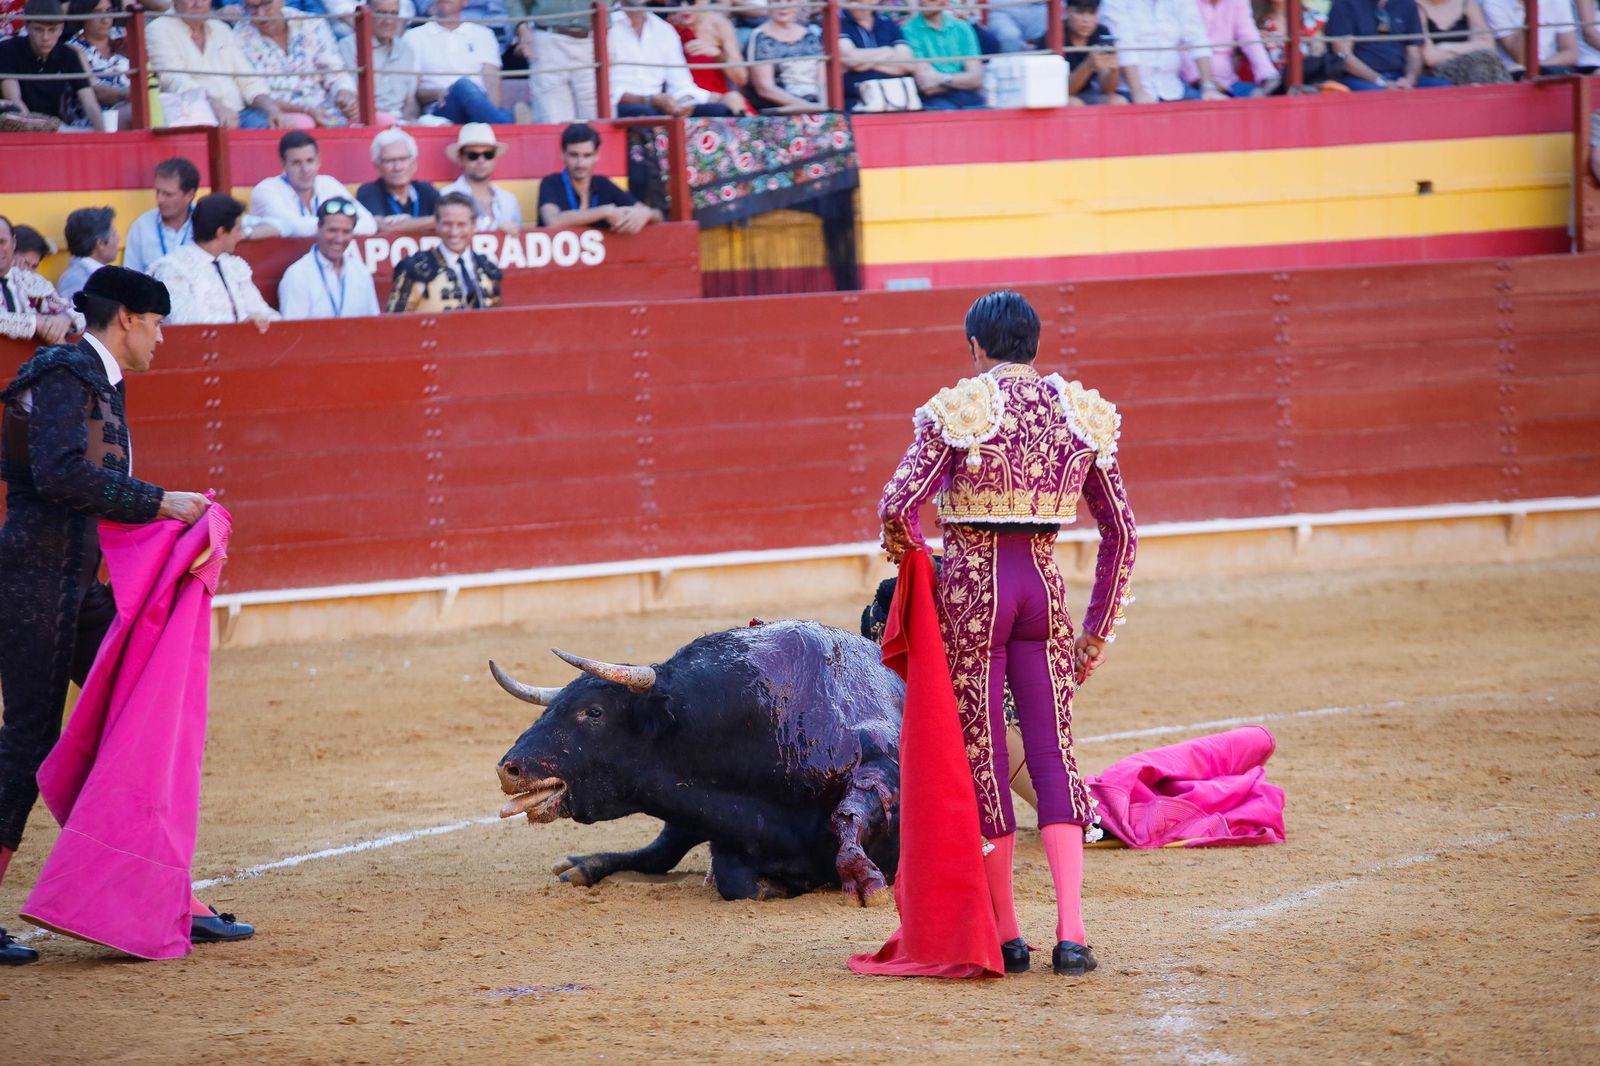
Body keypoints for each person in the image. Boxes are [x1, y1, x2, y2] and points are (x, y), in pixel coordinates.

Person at [877, 289, 1136, 978]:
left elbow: (898, 506)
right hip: (1043, 590)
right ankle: (1073, 935)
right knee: (1053, 755)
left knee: (985, 756)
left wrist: (918, 568)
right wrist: (1095, 632)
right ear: (1034, 344)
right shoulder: (1080, 414)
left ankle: (1011, 938)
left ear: (975, 346)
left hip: (973, 590)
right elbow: (1123, 533)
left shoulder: (961, 408)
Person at [0, 266, 251, 967]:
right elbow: (57, 474)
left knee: (146, 722)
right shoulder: (65, 372)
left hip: (74, 581)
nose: (163, 339)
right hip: (35, 579)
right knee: (25, 741)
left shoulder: (97, 378)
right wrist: (160, 503)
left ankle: (165, 894)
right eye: (160, 324)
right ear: (131, 318)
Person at [145, 0, 300, 129]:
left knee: (278, 129)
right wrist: (217, 106)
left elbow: (248, 80)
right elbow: (174, 80)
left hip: (240, 113)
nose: (198, 4)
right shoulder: (157, 30)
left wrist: (273, 111)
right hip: (194, 115)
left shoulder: (221, 28)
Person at [149, 194, 278, 330]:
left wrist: (261, 320)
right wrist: (240, 327)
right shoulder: (173, 269)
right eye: (238, 230)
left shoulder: (235, 266)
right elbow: (183, 320)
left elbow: (263, 311)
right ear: (221, 232)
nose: (240, 236)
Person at [233, 0, 358, 127]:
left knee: (368, 119)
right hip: (282, 115)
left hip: (327, 109)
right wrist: (306, 110)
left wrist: (344, 93)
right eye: (252, 7)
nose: (260, 14)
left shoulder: (311, 24)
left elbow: (335, 71)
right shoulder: (238, 38)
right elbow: (254, 94)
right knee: (305, 124)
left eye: (266, 4)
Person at [402, 0, 528, 125]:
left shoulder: (483, 34)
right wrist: (440, 93)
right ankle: (507, 122)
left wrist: (489, 112)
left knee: (468, 90)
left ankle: (497, 119)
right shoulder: (414, 37)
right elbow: (412, 92)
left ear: (465, 2)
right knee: (462, 86)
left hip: (477, 106)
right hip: (440, 110)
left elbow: (493, 84)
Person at [608, 0, 738, 116]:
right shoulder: (605, 25)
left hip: (657, 106)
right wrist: (650, 99)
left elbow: (681, 85)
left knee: (720, 111)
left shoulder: (663, 30)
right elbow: (602, 90)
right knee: (645, 113)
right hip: (617, 106)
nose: (684, 6)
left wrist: (687, 103)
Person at [386, 190, 503, 312]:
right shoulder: (414, 269)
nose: (454, 232)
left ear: (474, 225)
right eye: (447, 224)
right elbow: (394, 323)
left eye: (461, 224)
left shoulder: (487, 267)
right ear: (436, 224)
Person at [249, 130, 379, 239]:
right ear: (283, 165)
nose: (305, 170)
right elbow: (293, 227)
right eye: (296, 163)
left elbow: (369, 224)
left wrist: (333, 230)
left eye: (310, 161)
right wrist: (342, 227)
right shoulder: (265, 191)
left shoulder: (328, 183)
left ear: (318, 161)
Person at [538, 122, 661, 232]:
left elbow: (658, 216)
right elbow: (553, 221)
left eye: (587, 155)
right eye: (574, 155)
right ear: (563, 155)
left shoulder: (603, 184)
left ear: (596, 155)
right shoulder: (551, 183)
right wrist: (605, 212)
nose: (580, 163)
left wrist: (645, 213)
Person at [0, 0, 104, 129]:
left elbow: (90, 104)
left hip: (58, 126)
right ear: (27, 27)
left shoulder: (68, 55)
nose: (45, 37)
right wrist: (39, 131)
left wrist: (104, 138)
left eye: (52, 30)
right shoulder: (8, 50)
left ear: (61, 29)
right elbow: (15, 101)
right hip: (20, 128)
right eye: (38, 29)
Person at [1099, 0, 1229, 100]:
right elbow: (1124, 46)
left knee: (1216, 109)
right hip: (1129, 91)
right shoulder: (1114, 2)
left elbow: (1197, 38)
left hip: (1173, 88)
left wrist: (1208, 87)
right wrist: (1138, 92)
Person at [277, 199, 380, 319]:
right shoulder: (297, 274)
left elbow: (373, 323)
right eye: (332, 230)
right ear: (318, 228)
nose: (339, 239)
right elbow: (293, 332)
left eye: (346, 232)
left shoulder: (361, 272)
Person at [1325, 0, 1455, 88]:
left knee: (1444, 89)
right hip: (1360, 79)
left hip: (1400, 77)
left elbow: (1414, 53)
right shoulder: (1344, 4)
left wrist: (1410, 79)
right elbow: (1343, 56)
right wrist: (1381, 81)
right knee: (1382, 98)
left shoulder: (1407, 4)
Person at [2, 217, 80, 344]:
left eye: (33, 266)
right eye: (25, 263)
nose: (28, 271)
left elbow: (76, 312)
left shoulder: (34, 283)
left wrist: (64, 319)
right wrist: (36, 322)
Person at [519, 0, 599, 124]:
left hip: (596, 39)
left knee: (597, 118)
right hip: (548, 38)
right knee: (552, 118)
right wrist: (521, 26)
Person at [901, 0, 987, 109]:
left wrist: (942, 79)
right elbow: (927, 86)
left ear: (945, 2)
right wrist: (964, 82)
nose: (923, 2)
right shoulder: (908, 30)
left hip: (968, 97)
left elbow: (976, 80)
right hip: (933, 100)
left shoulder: (962, 27)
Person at [669, 0, 752, 113]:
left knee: (734, 100)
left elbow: (741, 78)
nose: (684, 8)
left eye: (691, 2)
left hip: (718, 97)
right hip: (682, 98)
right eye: (677, 3)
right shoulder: (666, 28)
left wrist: (718, 55)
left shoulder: (718, 24)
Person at [440, 122, 523, 233]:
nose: (481, 161)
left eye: (488, 155)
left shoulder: (509, 199)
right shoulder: (445, 195)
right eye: (473, 156)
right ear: (461, 159)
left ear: (494, 159)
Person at [357, 127, 440, 235]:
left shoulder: (426, 190)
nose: (398, 167)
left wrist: (406, 223)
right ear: (377, 167)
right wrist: (436, 220)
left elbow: (453, 219)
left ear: (414, 163)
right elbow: (380, 227)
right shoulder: (369, 191)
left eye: (403, 159)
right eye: (389, 161)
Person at [123, 158, 199, 275]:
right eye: (157, 192)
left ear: (189, 195)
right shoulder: (141, 227)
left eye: (168, 194)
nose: (160, 200)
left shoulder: (205, 222)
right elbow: (130, 279)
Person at [746, 0, 825, 110]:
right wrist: (807, 106)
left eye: (789, 0)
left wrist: (823, 105)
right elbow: (765, 88)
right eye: (777, 1)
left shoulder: (810, 35)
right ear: (769, 3)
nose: (783, 6)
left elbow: (822, 80)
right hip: (781, 108)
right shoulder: (760, 37)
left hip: (817, 105)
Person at [839, 0, 917, 110]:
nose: (855, 3)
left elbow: (907, 64)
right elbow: (851, 59)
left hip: (897, 99)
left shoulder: (889, 24)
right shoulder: (838, 24)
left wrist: (861, 63)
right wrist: (888, 51)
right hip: (855, 101)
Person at [1188, 0, 1279, 93]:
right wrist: (1204, 82)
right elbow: (1181, 46)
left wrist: (1268, 75)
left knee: (1267, 97)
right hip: (1191, 84)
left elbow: (1249, 36)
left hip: (1228, 82)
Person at [65, 0, 130, 130]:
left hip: (131, 103)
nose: (105, 19)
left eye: (109, 11)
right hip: (97, 116)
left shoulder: (122, 40)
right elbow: (94, 91)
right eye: (97, 12)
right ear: (82, 14)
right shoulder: (73, 48)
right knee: (141, 111)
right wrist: (130, 94)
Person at [1480, 0, 1580, 75]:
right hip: (1515, 74)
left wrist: (1540, 67)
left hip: (1551, 68)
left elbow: (1571, 53)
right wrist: (1531, 11)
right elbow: (1521, 58)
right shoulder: (1494, 3)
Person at [1418, 0, 1506, 83]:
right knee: (1482, 63)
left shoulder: (1466, 2)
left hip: (1476, 64)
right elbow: (1430, 58)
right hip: (1439, 71)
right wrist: (1473, 46)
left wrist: (1447, 47)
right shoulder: (1418, 7)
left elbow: (1488, 45)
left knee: (1486, 58)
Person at [369, 0, 422, 123]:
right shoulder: (350, 46)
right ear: (369, 15)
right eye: (381, 13)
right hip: (369, 120)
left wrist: (409, 119)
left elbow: (410, 100)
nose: (388, 20)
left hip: (400, 120)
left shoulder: (406, 50)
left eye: (394, 14)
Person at [1064, 0, 1125, 103]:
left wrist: (1114, 70)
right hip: (1059, 97)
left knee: (1117, 101)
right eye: (1079, 12)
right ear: (1067, 12)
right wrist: (1088, 65)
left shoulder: (1102, 32)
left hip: (1089, 93)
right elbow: (1064, 91)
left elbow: (1107, 90)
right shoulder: (1055, 34)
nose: (1086, 20)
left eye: (1092, 13)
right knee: (1074, 103)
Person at [56, 205, 118, 302]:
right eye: (114, 234)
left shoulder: (91, 275)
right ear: (100, 243)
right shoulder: (77, 281)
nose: (118, 239)